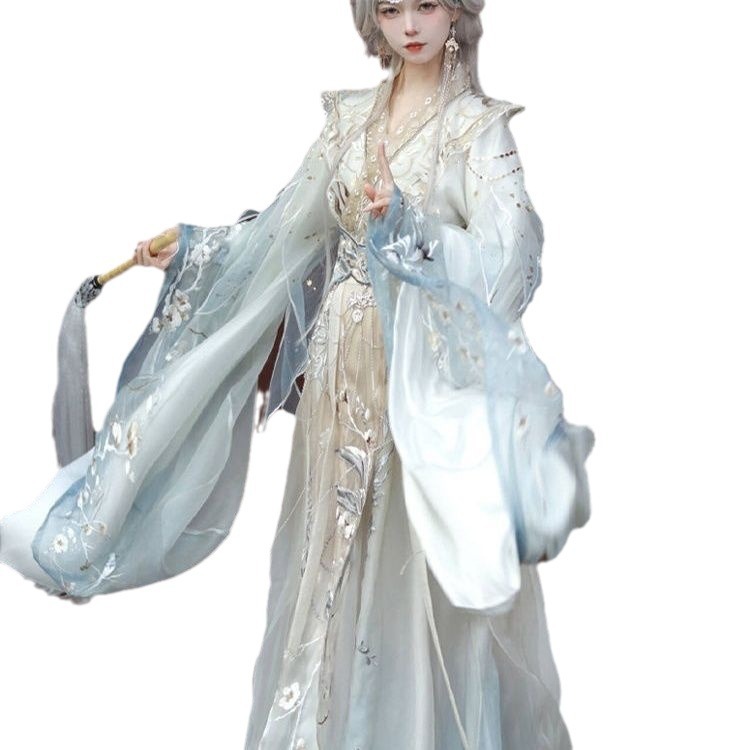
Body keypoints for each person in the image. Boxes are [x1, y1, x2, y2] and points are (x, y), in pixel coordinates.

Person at [0, 1, 595, 748]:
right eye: (390, 8)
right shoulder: (349, 120)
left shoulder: (477, 131)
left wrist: (412, 229)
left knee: (409, 558)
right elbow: (287, 231)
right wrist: (197, 247)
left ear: (457, 11)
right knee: (328, 555)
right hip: (340, 373)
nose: (410, 25)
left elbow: (512, 261)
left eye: (427, 4)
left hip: (416, 381)